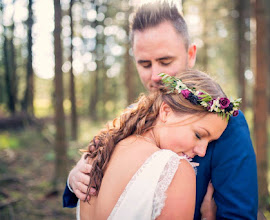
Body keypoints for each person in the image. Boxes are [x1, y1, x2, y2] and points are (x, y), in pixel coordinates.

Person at [63, 2, 258, 219]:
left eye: (165, 61)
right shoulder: (130, 116)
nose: (155, 75)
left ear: (190, 54)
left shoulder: (226, 122)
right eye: (145, 64)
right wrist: (74, 178)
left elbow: (239, 214)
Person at [77, 70, 239, 219]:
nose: (202, 151)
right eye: (198, 135)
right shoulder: (174, 170)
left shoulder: (100, 151)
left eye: (209, 142)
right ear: (166, 112)